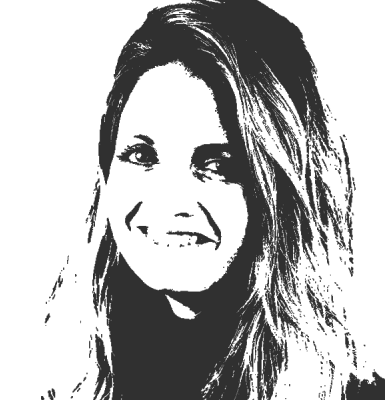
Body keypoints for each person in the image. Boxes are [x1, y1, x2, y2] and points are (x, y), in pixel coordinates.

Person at [41, 0, 384, 399]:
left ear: (283, 190)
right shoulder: (75, 384)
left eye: (218, 165)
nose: (171, 198)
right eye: (142, 155)